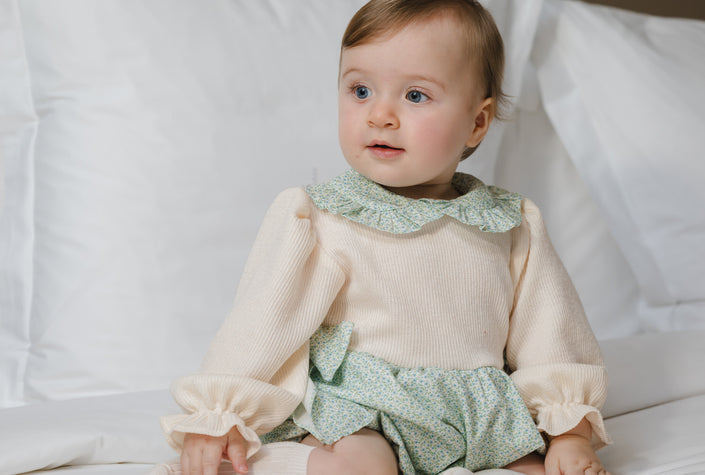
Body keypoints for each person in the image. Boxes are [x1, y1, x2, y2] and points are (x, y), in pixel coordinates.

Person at [157, 1, 612, 474]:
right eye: (360, 90)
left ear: (477, 123)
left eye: (415, 96)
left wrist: (568, 433)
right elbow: (263, 323)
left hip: (475, 413)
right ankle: (257, 466)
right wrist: (220, 415)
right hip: (363, 407)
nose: (380, 115)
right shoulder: (323, 215)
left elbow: (551, 331)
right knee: (365, 466)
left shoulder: (507, 222)